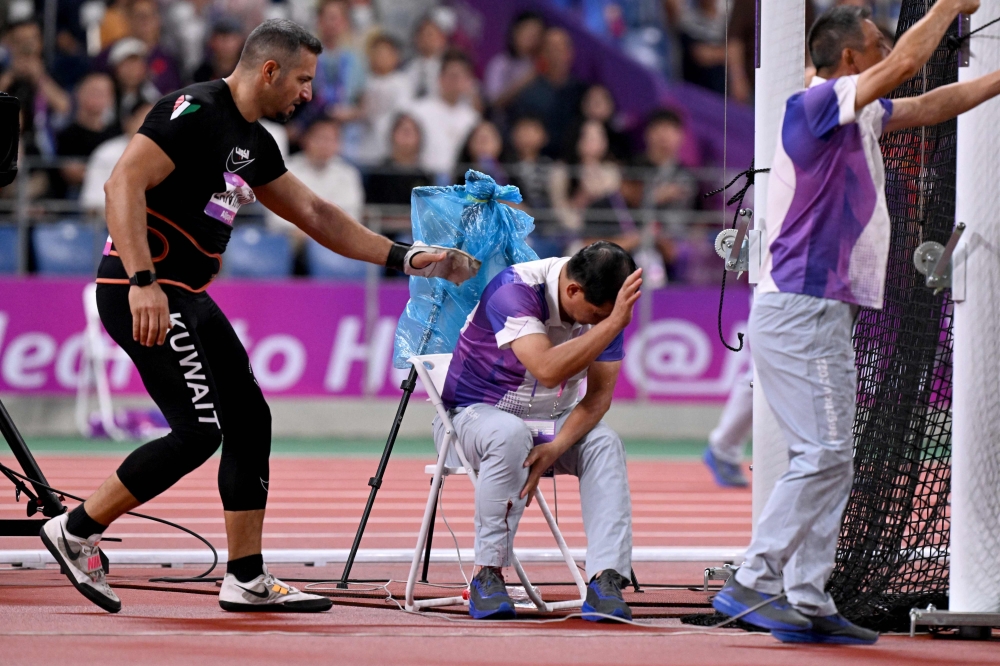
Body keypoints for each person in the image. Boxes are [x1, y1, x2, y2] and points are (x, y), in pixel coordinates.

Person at [39, 18, 477, 615]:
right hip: (147, 290)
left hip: (185, 294)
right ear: (268, 70)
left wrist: (409, 257)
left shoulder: (255, 141)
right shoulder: (192, 110)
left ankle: (245, 577)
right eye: (302, 79)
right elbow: (122, 185)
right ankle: (76, 529)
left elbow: (318, 215)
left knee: (250, 419)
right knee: (198, 432)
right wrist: (143, 283)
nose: (307, 93)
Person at [712, 0, 1000, 645]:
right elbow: (907, 67)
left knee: (832, 458)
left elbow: (932, 104)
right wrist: (951, 6)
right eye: (876, 42)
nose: (887, 49)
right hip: (802, 307)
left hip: (819, 309)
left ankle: (809, 598)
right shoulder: (816, 105)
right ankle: (754, 581)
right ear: (849, 58)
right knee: (824, 453)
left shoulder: (854, 115)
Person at [435, 241, 641, 621]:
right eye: (596, 316)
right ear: (572, 290)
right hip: (474, 418)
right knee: (509, 434)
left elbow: (597, 399)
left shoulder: (609, 311)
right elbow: (547, 368)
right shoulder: (514, 290)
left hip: (547, 426)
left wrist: (558, 444)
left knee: (605, 443)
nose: (599, 324)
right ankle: (487, 574)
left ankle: (606, 578)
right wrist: (612, 323)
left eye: (607, 318)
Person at [265, 117, 364, 246]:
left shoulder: (348, 174)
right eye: (320, 138)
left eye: (331, 139)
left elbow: (352, 214)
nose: (325, 145)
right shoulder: (285, 170)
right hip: (291, 239)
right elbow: (275, 217)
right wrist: (303, 232)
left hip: (334, 240)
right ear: (306, 139)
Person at [509, 27, 587, 158]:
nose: (556, 54)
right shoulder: (530, 92)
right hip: (538, 161)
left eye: (561, 48)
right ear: (542, 54)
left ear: (570, 52)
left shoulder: (582, 92)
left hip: (574, 163)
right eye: (550, 48)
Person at [406, 48, 479, 179]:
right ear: (440, 78)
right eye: (452, 76)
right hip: (424, 180)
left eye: (461, 76)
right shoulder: (418, 111)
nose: (456, 81)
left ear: (468, 81)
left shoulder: (472, 118)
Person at [56, 73, 120, 197]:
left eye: (104, 93)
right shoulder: (67, 134)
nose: (99, 97)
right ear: (79, 94)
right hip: (76, 199)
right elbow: (71, 173)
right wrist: (105, 172)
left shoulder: (117, 133)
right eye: (94, 91)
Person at [80, 102, 152, 213]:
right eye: (148, 119)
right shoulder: (106, 153)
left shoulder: (175, 154)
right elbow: (93, 204)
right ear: (129, 122)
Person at [356, 33, 414, 166]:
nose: (380, 58)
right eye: (376, 53)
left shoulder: (401, 81)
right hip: (365, 146)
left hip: (389, 146)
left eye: (385, 53)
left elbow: (402, 114)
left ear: (396, 57)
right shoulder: (365, 81)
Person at [363, 113, 433, 207]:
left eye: (411, 132)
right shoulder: (378, 174)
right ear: (392, 135)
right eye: (403, 131)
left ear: (419, 138)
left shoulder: (425, 177)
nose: (406, 136)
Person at [483, 11, 545, 110]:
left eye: (536, 35)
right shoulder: (500, 63)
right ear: (516, 31)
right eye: (528, 32)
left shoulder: (537, 67)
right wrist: (525, 81)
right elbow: (494, 102)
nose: (531, 39)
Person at [507, 114, 554, 213]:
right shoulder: (506, 165)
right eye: (523, 130)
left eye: (533, 130)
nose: (527, 135)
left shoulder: (550, 165)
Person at [108, 37, 161, 123]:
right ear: (116, 69)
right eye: (126, 65)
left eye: (136, 63)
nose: (132, 70)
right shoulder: (107, 94)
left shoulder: (152, 94)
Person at [404, 14, 448, 99]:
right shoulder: (406, 67)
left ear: (442, 39)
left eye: (430, 35)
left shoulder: (448, 67)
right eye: (422, 34)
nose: (426, 39)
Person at [453, 120, 508, 185]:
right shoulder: (460, 175)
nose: (483, 144)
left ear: (499, 143)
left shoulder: (512, 173)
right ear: (469, 144)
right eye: (479, 139)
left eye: (487, 139)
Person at [192, 18, 245, 83]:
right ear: (211, 42)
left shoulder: (248, 72)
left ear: (241, 41)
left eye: (231, 39)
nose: (226, 45)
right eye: (221, 39)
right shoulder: (202, 73)